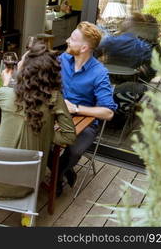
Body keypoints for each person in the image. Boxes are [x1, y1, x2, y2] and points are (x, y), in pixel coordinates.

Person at [0, 40, 76, 205]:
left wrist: (5, 86)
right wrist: (45, 131)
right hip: (30, 183)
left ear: (25, 71)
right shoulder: (54, 99)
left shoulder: (4, 94)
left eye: (22, 62)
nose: (18, 63)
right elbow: (69, 137)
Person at [55, 21, 117, 196]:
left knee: (74, 151)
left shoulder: (99, 73)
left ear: (83, 48)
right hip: (58, 115)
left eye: (73, 38)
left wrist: (75, 108)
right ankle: (60, 173)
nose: (67, 40)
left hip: (86, 123)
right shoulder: (62, 60)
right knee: (38, 137)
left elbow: (108, 112)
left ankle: (58, 174)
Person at [96, 13, 161, 127]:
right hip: (127, 91)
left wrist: (100, 63)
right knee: (142, 86)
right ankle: (126, 110)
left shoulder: (111, 41)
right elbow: (155, 68)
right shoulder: (144, 47)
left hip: (106, 88)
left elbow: (94, 53)